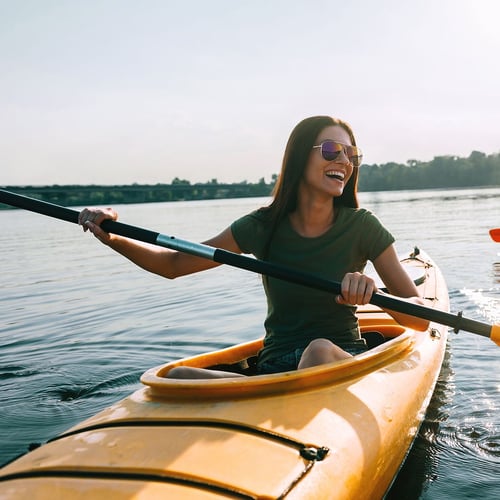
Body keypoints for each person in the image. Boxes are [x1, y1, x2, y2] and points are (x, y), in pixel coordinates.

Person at [78, 115, 429, 378]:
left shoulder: (362, 226)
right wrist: (112, 235)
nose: (344, 161)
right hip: (273, 366)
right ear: (298, 157)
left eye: (352, 154)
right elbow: (172, 264)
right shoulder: (262, 226)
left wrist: (372, 293)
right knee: (175, 376)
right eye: (331, 150)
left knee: (318, 350)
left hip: (336, 358)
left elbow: (419, 318)